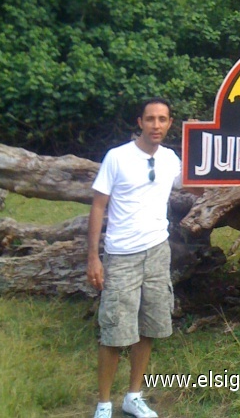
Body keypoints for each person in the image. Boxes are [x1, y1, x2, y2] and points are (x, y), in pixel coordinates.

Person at [87, 98, 182, 418]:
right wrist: (93, 257)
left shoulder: (171, 159)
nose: (157, 125)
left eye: (163, 119)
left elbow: (192, 186)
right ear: (139, 122)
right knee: (114, 331)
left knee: (148, 327)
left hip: (157, 251)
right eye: (151, 119)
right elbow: (98, 206)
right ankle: (103, 403)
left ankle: (133, 396)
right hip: (121, 255)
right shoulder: (117, 157)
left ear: (170, 123)